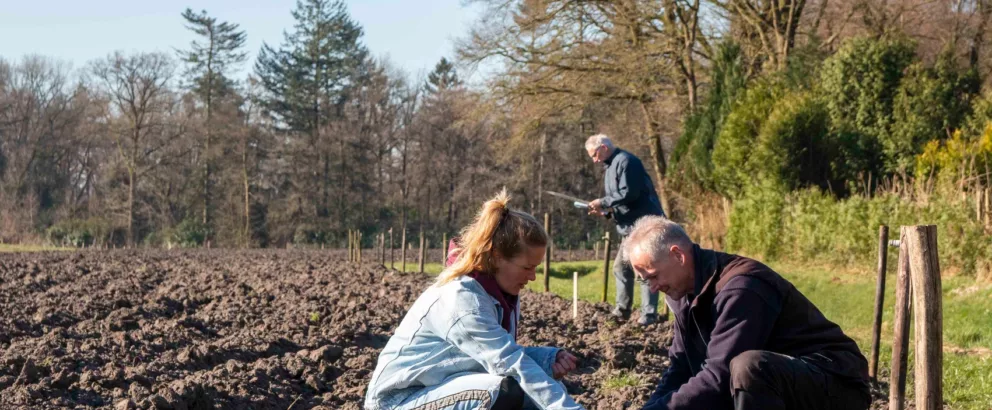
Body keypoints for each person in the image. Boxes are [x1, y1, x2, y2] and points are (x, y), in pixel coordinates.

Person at [364, 190, 585, 410]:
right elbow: (506, 362)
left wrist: (545, 360)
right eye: (527, 267)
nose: (533, 276)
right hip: (398, 400)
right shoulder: (464, 299)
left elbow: (489, 356)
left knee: (535, 397)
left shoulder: (501, 295)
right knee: (502, 391)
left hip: (439, 388)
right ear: (497, 257)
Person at [622, 216, 871, 410]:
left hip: (835, 386)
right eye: (645, 281)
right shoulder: (683, 293)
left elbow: (719, 377)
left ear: (678, 255)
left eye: (653, 276)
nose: (652, 288)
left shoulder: (741, 287)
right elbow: (680, 368)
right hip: (775, 390)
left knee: (748, 367)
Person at [585, 134, 664, 326]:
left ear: (603, 147)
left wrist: (602, 202)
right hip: (629, 228)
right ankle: (622, 311)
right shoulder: (611, 167)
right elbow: (621, 202)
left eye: (595, 155)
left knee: (645, 269)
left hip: (644, 226)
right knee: (621, 268)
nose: (594, 160)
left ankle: (649, 315)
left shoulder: (628, 162)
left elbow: (629, 193)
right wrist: (606, 213)